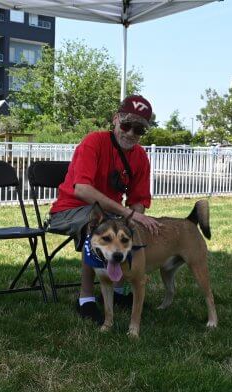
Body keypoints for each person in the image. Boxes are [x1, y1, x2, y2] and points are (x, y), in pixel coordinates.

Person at [48, 94, 161, 324]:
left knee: (124, 229)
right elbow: (82, 190)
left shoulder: (140, 157)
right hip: (68, 211)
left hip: (109, 215)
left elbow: (139, 200)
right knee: (100, 228)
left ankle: (117, 291)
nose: (130, 133)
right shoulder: (94, 142)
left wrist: (134, 221)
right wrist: (128, 213)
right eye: (126, 125)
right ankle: (86, 299)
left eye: (138, 130)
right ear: (115, 119)